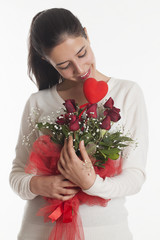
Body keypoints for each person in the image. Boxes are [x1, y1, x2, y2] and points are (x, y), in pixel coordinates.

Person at [9, 8, 148, 240]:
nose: (80, 69)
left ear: (86, 35)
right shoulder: (38, 102)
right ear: (46, 60)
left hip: (106, 233)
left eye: (82, 54)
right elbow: (17, 175)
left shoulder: (127, 93)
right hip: (39, 231)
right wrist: (39, 185)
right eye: (64, 65)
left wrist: (91, 183)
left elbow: (135, 177)